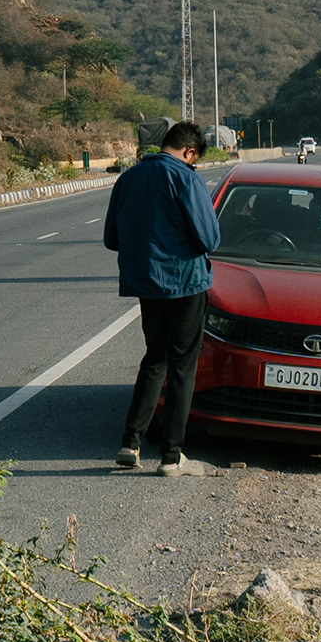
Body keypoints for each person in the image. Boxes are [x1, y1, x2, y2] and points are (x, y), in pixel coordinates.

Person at [103, 120, 221, 473]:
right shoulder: (187, 179)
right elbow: (209, 239)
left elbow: (112, 239)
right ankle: (172, 457)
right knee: (183, 367)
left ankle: (130, 442)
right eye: (195, 158)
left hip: (148, 286)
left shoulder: (128, 179)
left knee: (155, 360)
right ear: (189, 152)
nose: (194, 163)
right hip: (186, 283)